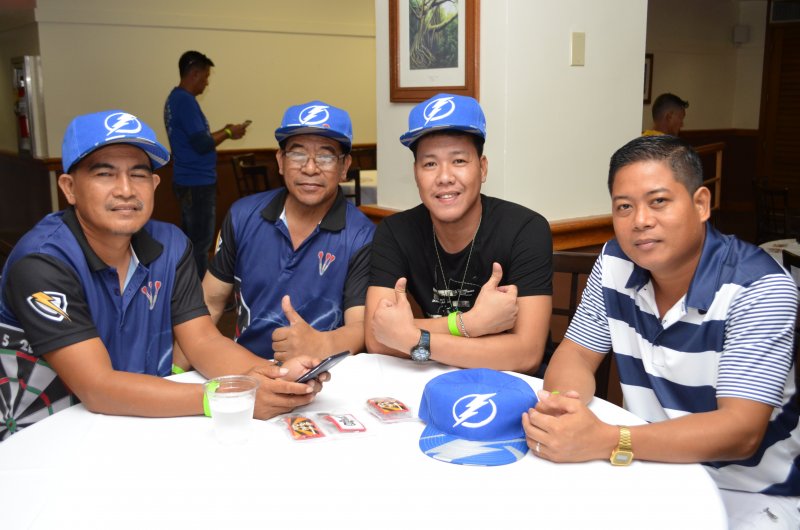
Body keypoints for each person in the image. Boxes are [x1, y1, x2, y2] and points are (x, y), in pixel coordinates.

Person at [523, 135, 799, 528]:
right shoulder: (615, 261)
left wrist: (607, 439)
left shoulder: (760, 287)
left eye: (658, 201)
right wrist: (563, 406)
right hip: (647, 466)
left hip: (750, 494)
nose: (640, 220)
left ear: (700, 204)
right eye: (624, 206)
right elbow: (577, 353)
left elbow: (741, 431)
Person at [0, 110, 326, 440]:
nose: (125, 190)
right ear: (69, 188)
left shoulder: (170, 245)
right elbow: (96, 386)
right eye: (105, 174)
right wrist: (227, 398)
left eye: (139, 175)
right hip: (43, 436)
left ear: (155, 185)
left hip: (144, 422)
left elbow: (203, 341)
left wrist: (277, 377)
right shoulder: (42, 262)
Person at [365, 94, 553, 374]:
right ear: (416, 173)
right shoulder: (394, 232)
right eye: (430, 164)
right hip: (429, 378)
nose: (444, 177)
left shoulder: (526, 229)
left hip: (510, 384)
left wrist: (412, 338)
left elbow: (526, 355)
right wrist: (470, 324)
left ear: (483, 168)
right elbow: (376, 336)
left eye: (459, 161)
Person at [185, 100, 375, 364]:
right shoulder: (243, 216)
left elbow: (359, 326)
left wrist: (322, 344)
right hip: (245, 368)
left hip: (323, 373)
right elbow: (210, 301)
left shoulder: (362, 236)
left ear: (344, 167)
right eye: (297, 154)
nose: (310, 168)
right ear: (281, 161)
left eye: (326, 156)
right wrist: (177, 372)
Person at [164, 50, 250, 276]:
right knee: (200, 245)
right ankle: (198, 293)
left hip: (188, 180)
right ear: (194, 74)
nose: (207, 83)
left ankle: (189, 289)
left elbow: (196, 140)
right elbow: (202, 143)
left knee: (193, 242)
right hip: (197, 183)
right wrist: (229, 132)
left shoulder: (175, 99)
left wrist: (226, 131)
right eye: (205, 77)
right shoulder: (185, 101)